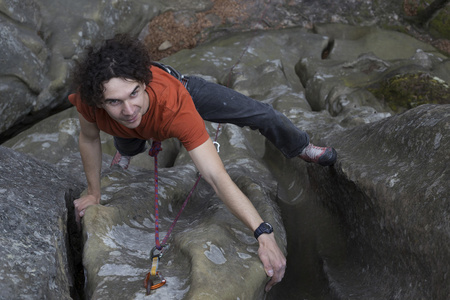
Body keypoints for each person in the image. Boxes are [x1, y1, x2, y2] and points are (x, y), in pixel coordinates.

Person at [69, 34, 337, 293]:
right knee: (130, 133)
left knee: (261, 114)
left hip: (180, 91)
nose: (127, 108)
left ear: (144, 80)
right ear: (98, 100)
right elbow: (89, 138)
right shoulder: (90, 100)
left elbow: (216, 177)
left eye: (133, 93)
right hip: (133, 130)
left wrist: (264, 233)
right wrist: (94, 192)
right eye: (114, 101)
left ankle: (300, 146)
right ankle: (126, 152)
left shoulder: (175, 107)